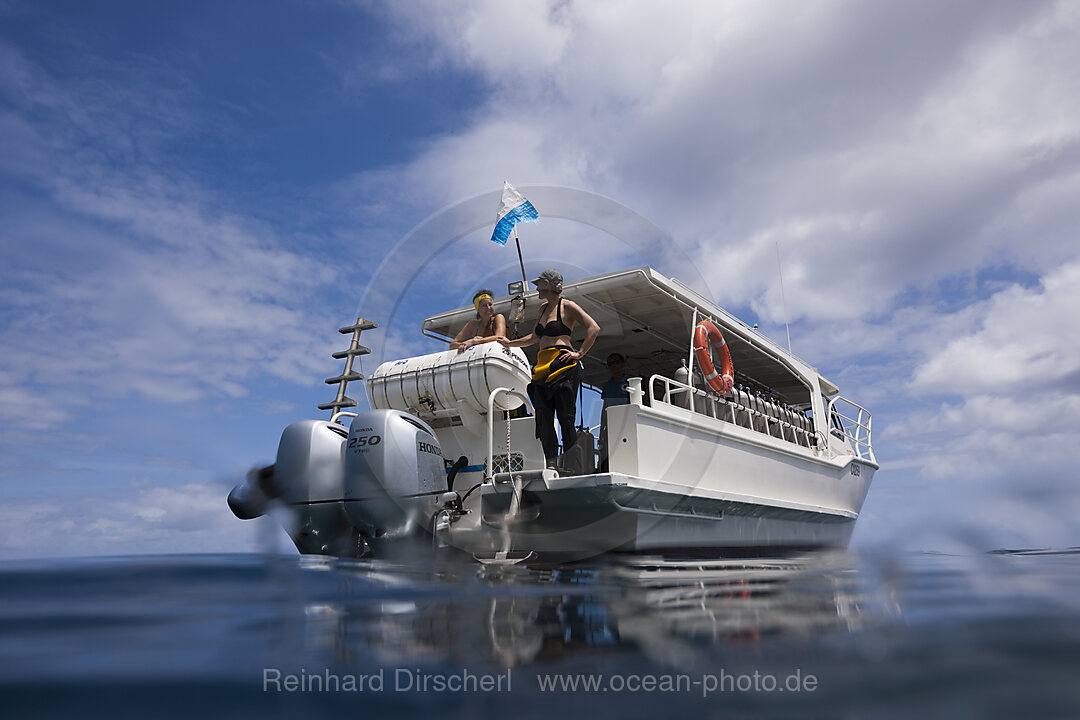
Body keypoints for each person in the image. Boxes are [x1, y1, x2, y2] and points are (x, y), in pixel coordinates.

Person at [499, 270, 600, 469]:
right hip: (543, 365)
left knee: (565, 417)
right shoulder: (543, 309)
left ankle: (571, 464)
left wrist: (579, 353)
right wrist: (509, 343)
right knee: (543, 416)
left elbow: (593, 328)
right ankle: (551, 462)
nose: (537, 288)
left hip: (563, 363)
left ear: (549, 284)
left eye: (540, 284)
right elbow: (534, 338)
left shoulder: (568, 306)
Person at [598, 353, 630, 472]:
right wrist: (601, 432)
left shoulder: (629, 382)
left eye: (616, 362)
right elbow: (604, 409)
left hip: (626, 425)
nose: (613, 366)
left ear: (622, 364)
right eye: (610, 364)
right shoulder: (607, 386)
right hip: (611, 426)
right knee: (606, 454)